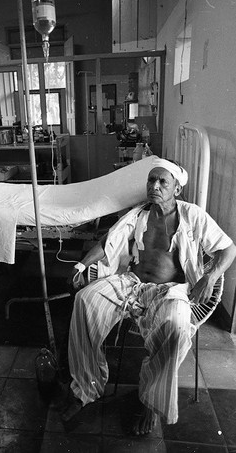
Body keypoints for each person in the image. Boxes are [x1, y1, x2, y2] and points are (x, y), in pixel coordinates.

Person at [61, 158, 236, 434]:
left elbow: (228, 250)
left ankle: (151, 403)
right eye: (151, 180)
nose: (154, 186)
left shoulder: (193, 216)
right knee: (85, 300)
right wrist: (81, 265)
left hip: (171, 291)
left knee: (176, 329)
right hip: (132, 283)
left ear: (176, 189)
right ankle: (86, 387)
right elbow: (108, 242)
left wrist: (209, 277)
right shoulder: (139, 214)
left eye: (162, 181)